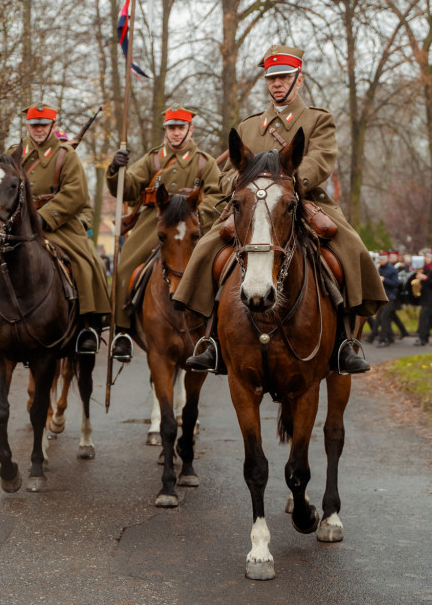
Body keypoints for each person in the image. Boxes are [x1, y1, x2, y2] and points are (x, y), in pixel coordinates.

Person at [178, 44, 387, 374]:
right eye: (271, 78)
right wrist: (237, 185)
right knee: (207, 250)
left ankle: (344, 342)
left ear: (299, 80)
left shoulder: (318, 119)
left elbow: (321, 160)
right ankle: (210, 340)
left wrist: (287, 182)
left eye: (284, 77)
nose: (276, 83)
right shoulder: (249, 126)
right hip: (251, 207)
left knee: (349, 251)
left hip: (304, 201)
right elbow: (233, 170)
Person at [0, 103, 111, 355]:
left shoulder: (66, 156)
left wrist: (44, 218)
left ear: (53, 126)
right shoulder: (14, 154)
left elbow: (75, 193)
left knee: (86, 261)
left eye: (43, 125)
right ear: (27, 126)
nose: (38, 130)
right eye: (34, 125)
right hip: (18, 224)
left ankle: (90, 324)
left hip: (55, 223)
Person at [106, 105, 222, 362]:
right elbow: (129, 187)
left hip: (193, 226)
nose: (176, 133)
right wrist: (116, 170)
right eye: (172, 128)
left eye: (181, 128)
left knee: (219, 269)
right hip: (155, 222)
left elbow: (218, 195)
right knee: (125, 265)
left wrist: (197, 215)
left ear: (190, 129)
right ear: (165, 131)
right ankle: (122, 331)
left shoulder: (205, 162)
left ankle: (217, 334)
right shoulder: (153, 160)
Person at [375, 251, 400, 347]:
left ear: (387, 259)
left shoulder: (392, 269)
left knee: (384, 317)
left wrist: (384, 279)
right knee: (381, 317)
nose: (380, 260)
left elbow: (395, 284)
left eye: (382, 258)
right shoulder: (379, 268)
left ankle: (383, 339)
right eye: (380, 258)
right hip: (382, 296)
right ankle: (390, 337)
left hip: (390, 297)